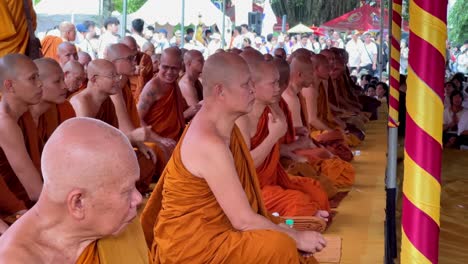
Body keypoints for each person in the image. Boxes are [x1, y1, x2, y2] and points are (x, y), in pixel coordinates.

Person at [141, 52, 326, 264]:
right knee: (279, 245)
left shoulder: (227, 130)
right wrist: (296, 237)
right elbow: (243, 220)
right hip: (192, 248)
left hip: (219, 230)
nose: (252, 90)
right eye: (246, 85)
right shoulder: (209, 142)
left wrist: (280, 228)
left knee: (279, 236)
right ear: (220, 91)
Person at [0, 118, 150, 263]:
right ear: (78, 203)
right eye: (126, 191)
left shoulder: (120, 224)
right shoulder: (14, 259)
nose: (137, 199)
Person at [236, 52, 330, 219]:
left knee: (317, 192)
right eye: (273, 84)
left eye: (279, 83)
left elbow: (281, 130)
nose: (279, 88)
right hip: (251, 188)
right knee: (299, 203)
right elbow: (246, 164)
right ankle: (288, 223)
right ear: (253, 86)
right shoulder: (242, 118)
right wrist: (273, 137)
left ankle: (294, 219)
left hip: (272, 181)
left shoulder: (271, 107)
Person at [70, 59, 157, 192]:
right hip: (83, 161)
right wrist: (132, 137)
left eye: (117, 75)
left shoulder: (107, 102)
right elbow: (89, 146)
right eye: (112, 76)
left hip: (103, 155)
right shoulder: (81, 103)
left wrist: (137, 142)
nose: (117, 80)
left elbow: (112, 134)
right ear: (94, 79)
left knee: (145, 159)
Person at [0, 54, 43, 204]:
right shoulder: (5, 123)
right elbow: (35, 191)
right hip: (14, 211)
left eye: (39, 76)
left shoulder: (25, 114)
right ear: (9, 86)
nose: (40, 84)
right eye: (32, 78)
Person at [138, 47, 192, 143]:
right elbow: (138, 118)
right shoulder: (153, 87)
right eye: (165, 67)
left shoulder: (173, 84)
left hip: (173, 139)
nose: (169, 72)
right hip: (155, 142)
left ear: (180, 67)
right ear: (159, 65)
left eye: (174, 68)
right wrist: (160, 140)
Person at [30, 58, 76, 151]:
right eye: (57, 81)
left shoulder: (64, 107)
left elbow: (71, 146)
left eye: (63, 79)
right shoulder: (17, 113)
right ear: (38, 83)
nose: (64, 86)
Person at [120, 36, 153, 102]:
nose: (133, 53)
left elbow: (148, 77)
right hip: (123, 95)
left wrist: (142, 72)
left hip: (143, 95)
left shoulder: (145, 58)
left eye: (135, 49)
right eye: (130, 50)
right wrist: (132, 70)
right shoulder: (118, 59)